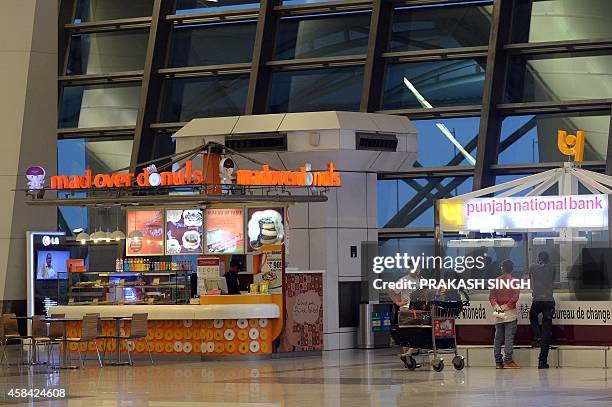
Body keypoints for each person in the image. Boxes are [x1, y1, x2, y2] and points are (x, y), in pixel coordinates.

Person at [525, 251, 555, 369]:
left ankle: (537, 336)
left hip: (537, 300)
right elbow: (552, 279)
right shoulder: (552, 267)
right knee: (546, 332)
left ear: (538, 258)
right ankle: (542, 362)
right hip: (549, 300)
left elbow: (530, 275)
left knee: (532, 316)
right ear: (548, 259)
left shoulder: (532, 267)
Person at [489, 259, 521, 369]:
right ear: (512, 268)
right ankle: (508, 360)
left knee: (498, 337)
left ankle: (498, 362)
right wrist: (506, 306)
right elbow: (515, 297)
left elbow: (492, 297)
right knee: (508, 338)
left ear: (502, 268)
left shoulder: (496, 281)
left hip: (498, 311)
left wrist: (498, 307)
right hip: (510, 312)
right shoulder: (515, 281)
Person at [388, 267, 421, 365]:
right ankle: (408, 358)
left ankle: (407, 356)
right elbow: (391, 290)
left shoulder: (421, 280)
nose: (417, 270)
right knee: (408, 334)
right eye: (415, 268)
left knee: (416, 332)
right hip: (406, 310)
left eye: (418, 268)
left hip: (417, 310)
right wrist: (398, 302)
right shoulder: (404, 280)